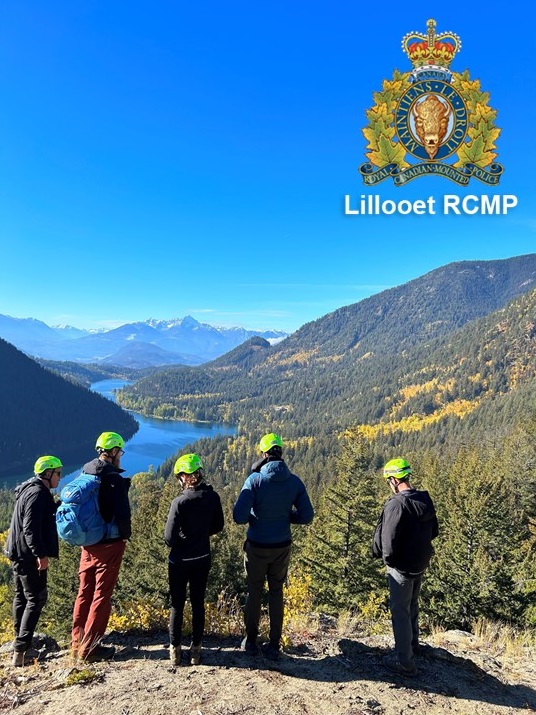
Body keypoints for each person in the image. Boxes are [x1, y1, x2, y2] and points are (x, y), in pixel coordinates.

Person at [233, 432, 314, 661]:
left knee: (254, 592)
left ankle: (250, 642)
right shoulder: (294, 482)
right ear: (281, 453)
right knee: (276, 592)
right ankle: (275, 644)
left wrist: (254, 516)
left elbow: (238, 517)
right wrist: (287, 517)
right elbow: (307, 516)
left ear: (264, 454)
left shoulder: (255, 481)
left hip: (257, 546)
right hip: (282, 546)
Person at [372, 458, 438, 677]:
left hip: (401, 567)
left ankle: (405, 662)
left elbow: (388, 542)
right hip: (420, 563)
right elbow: (434, 531)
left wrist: (390, 562)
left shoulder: (396, 504)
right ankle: (413, 646)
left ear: (393, 479)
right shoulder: (424, 499)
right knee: (412, 606)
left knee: (399, 611)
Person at [71, 431, 131, 662]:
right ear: (114, 451)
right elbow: (121, 513)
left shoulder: (86, 471)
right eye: (120, 451)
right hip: (109, 544)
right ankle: (91, 649)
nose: (121, 456)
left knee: (84, 592)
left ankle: (77, 643)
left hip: (88, 543)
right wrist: (125, 536)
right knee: (101, 595)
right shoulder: (112, 478)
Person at [164, 453, 224, 666]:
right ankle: (196, 651)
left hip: (179, 561)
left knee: (177, 605)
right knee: (198, 603)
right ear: (199, 474)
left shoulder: (179, 502)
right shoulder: (213, 497)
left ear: (183, 477)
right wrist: (200, 534)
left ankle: (175, 652)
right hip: (202, 557)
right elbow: (218, 526)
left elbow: (169, 539)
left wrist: (184, 537)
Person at [5, 456, 62, 666]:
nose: (60, 477)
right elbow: (30, 528)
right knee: (36, 598)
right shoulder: (38, 494)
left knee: (21, 597)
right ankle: (22, 650)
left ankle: (19, 643)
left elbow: (38, 516)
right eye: (58, 473)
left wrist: (56, 505)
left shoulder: (30, 489)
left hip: (17, 552)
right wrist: (40, 555)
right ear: (48, 474)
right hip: (28, 556)